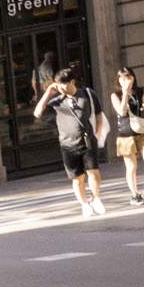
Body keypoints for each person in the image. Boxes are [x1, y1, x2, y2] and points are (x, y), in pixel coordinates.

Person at [35, 62, 110, 217]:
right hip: (68, 144)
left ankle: (96, 199)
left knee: (93, 172)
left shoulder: (88, 94)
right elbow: (37, 113)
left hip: (87, 141)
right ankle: (84, 204)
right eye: (58, 85)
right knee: (77, 178)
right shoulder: (57, 101)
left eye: (64, 84)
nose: (61, 87)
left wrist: (96, 133)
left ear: (72, 81)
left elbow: (98, 115)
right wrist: (48, 92)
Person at [107, 67, 144, 206]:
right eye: (122, 78)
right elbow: (121, 111)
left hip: (143, 131)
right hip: (126, 134)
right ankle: (134, 195)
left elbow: (142, 108)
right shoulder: (115, 95)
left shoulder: (140, 91)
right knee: (131, 167)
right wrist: (125, 93)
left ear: (133, 78)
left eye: (128, 77)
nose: (125, 81)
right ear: (118, 80)